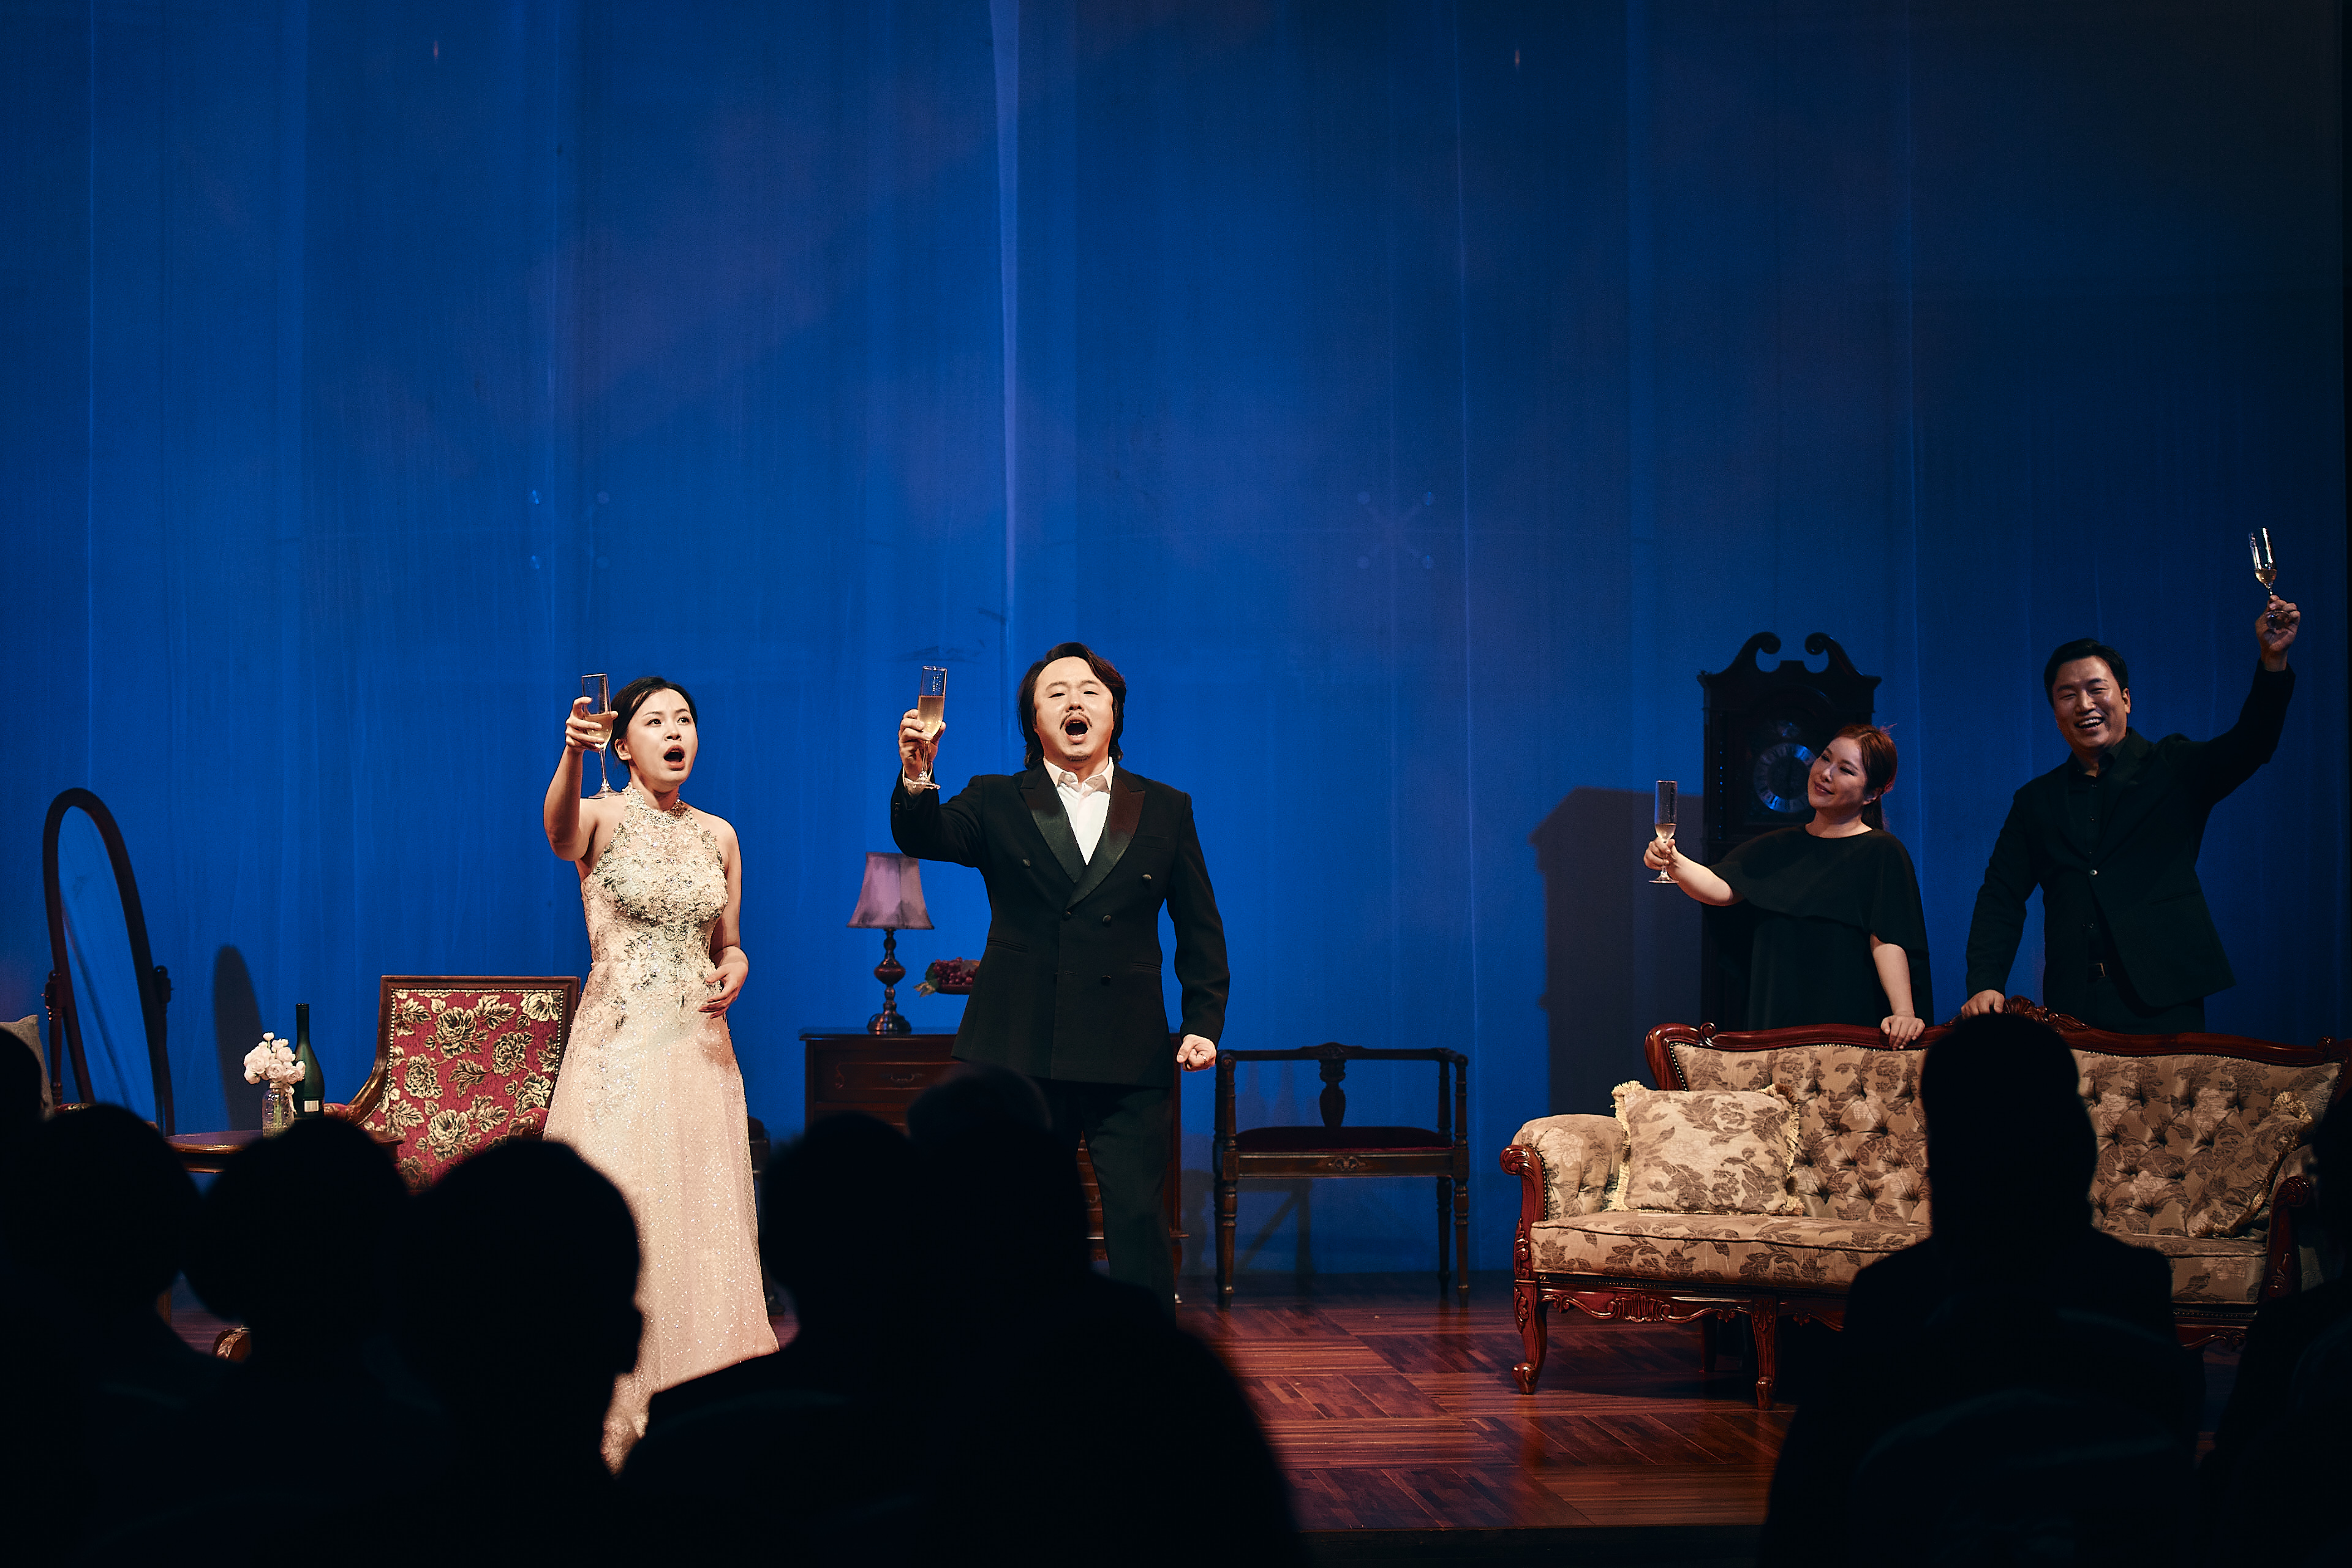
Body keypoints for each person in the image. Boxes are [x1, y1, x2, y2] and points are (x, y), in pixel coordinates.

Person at [1758, 1013, 2193, 1568]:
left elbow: (1810, 1512)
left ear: (1946, 1156)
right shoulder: (2132, 1285)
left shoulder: (1894, 1297)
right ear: (2074, 1145)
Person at [889, 642, 1229, 1305]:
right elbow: (924, 836)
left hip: (1127, 1047)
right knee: (1016, 1224)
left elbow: (1199, 924)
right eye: (1056, 693)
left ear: (1114, 713)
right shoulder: (995, 798)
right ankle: (1018, 1360)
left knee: (1138, 1222)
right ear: (1034, 722)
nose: (1075, 701)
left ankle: (1139, 1361)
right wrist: (917, 775)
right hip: (1020, 1046)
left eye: (1090, 690)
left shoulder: (1165, 806)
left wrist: (1202, 1022)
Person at [541, 674, 774, 1466]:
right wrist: (572, 755)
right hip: (619, 1054)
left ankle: (708, 1411)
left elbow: (728, 942)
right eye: (655, 721)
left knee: (704, 1227)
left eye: (684, 720)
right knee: (627, 1219)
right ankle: (606, 1411)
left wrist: (737, 965)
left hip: (702, 1055)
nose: (675, 732)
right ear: (623, 743)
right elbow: (559, 835)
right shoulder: (599, 816)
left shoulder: (720, 834)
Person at [1960, 597, 2301, 1032]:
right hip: (2071, 1005)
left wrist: (2273, 662)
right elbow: (2001, 895)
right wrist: (1985, 982)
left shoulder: (2172, 766)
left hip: (2166, 997)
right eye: (2068, 695)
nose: (2084, 704)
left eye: (2096, 689)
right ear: (2055, 714)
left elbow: (2252, 743)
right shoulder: (2035, 801)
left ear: (2125, 699)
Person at [1646, 723, 1931, 1041]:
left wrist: (1904, 1012)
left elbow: (1888, 939)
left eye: (1846, 770)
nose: (1825, 774)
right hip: (1775, 1022)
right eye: (1825, 758)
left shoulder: (1882, 851)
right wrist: (1674, 861)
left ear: (1872, 794)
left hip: (1845, 1028)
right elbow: (1722, 889)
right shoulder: (1777, 846)